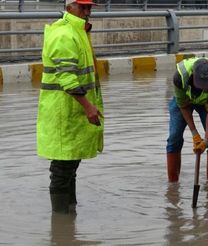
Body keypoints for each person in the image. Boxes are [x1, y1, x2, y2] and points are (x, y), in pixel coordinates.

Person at [37, 0, 104, 213]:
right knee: (62, 168)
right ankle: (60, 223)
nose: (86, 12)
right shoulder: (65, 34)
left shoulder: (79, 31)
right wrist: (88, 107)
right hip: (63, 112)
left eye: (89, 8)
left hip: (72, 113)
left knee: (70, 166)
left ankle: (69, 216)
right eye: (82, 7)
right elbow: (67, 78)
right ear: (69, 8)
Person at [166, 57, 208, 184]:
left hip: (207, 104)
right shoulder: (180, 78)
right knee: (174, 137)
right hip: (184, 102)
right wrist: (195, 134)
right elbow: (183, 105)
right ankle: (173, 184)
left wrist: (206, 140)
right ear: (193, 75)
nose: (203, 87)